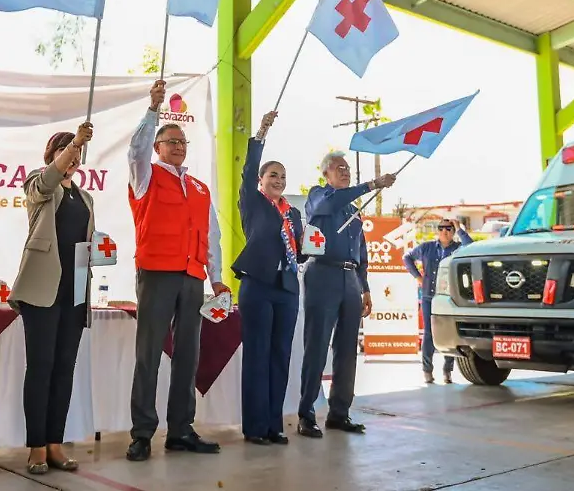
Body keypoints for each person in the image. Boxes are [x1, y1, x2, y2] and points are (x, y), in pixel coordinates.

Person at [125, 79, 231, 462]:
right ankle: (141, 433)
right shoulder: (146, 175)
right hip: (156, 272)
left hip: (192, 277)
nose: (178, 147)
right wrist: (153, 111)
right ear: (158, 147)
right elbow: (135, 149)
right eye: (171, 141)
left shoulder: (200, 188)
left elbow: (212, 236)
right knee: (149, 354)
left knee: (188, 354)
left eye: (183, 142)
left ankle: (181, 430)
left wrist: (216, 277)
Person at [11, 123, 96, 475]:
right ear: (53, 155)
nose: (73, 157)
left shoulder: (85, 196)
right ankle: (36, 447)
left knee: (64, 369)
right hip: (42, 288)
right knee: (41, 368)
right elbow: (48, 181)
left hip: (75, 290)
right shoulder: (38, 183)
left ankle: (55, 444)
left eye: (77, 152)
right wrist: (74, 142)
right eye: (66, 151)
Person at [297, 153, 395, 438]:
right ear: (325, 173)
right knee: (316, 346)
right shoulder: (318, 196)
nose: (345, 172)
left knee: (347, 349)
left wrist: (364, 286)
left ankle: (340, 412)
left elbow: (360, 251)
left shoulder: (354, 209)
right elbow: (328, 203)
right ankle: (306, 413)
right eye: (339, 168)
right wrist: (372, 185)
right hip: (322, 274)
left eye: (348, 168)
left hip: (349, 277)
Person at [233, 111, 305, 446]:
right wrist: (261, 132)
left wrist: (310, 248)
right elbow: (248, 170)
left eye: (283, 176)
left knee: (280, 357)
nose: (278, 179)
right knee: (258, 355)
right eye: (273, 175)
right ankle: (255, 427)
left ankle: (275, 424)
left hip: (288, 288)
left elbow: (299, 251)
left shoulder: (293, 213)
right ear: (261, 181)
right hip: (258, 286)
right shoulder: (253, 202)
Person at [403, 218, 472, 385]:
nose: (444, 231)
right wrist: (418, 278)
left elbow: (470, 246)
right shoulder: (427, 247)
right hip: (428, 296)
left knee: (448, 334)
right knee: (429, 334)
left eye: (449, 228)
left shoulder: (458, 248)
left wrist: (460, 229)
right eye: (441, 228)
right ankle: (427, 370)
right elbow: (407, 257)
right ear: (437, 231)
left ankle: (447, 371)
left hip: (448, 297)